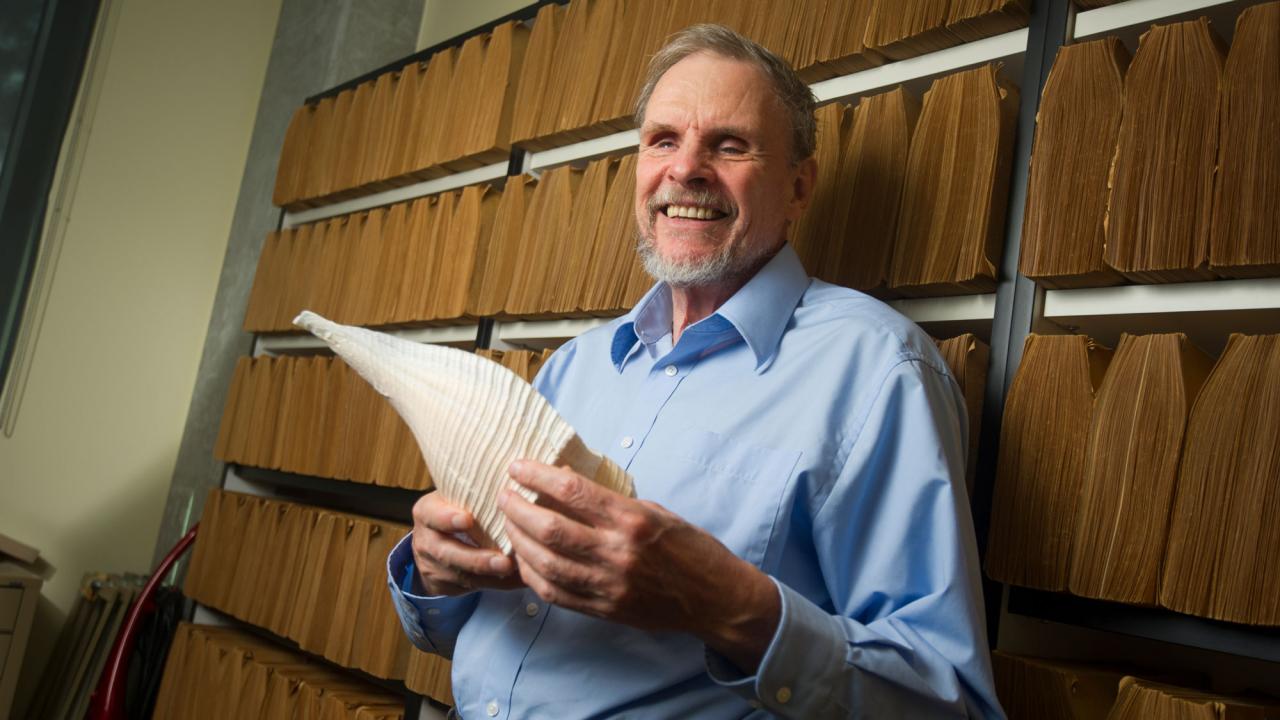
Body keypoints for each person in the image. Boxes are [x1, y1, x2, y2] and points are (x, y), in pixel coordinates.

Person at [386, 23, 1004, 719]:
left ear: (798, 187)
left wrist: (725, 605)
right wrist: (437, 576)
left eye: (730, 145)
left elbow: (947, 702)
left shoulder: (878, 372)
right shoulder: (574, 367)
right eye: (663, 140)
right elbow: (453, 633)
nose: (685, 170)